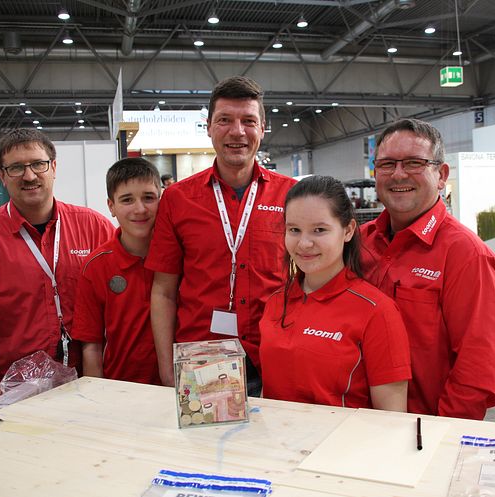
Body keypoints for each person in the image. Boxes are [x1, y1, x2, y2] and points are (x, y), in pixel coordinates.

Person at [146, 76, 296, 395]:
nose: (237, 131)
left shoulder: (293, 196)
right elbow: (163, 291)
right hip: (202, 359)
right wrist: (165, 365)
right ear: (209, 128)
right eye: (224, 120)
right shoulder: (178, 199)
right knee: (202, 445)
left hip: (275, 356)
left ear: (263, 127)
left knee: (273, 443)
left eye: (248, 121)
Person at [0, 129, 114, 420]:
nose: (29, 176)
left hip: (93, 379)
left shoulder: (95, 227)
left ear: (53, 167)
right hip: (16, 389)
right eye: (16, 168)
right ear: (2, 175)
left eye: (38, 164)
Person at [360, 118, 495, 420]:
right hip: (353, 422)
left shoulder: (466, 255)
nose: (398, 174)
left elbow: (480, 368)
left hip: (421, 430)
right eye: (387, 164)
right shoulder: (359, 243)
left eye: (414, 163)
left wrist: (442, 435)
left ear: (441, 175)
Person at [259, 176, 411, 410]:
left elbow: (392, 419)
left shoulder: (377, 312)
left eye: (319, 230)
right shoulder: (276, 302)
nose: (304, 243)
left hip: (341, 444)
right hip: (275, 442)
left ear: (348, 230)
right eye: (294, 230)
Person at [70, 158, 161, 385]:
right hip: (120, 389)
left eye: (149, 198)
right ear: (111, 206)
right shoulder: (95, 267)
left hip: (176, 388)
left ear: (162, 199)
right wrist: (97, 400)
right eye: (127, 200)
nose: (140, 209)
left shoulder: (180, 257)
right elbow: (92, 345)